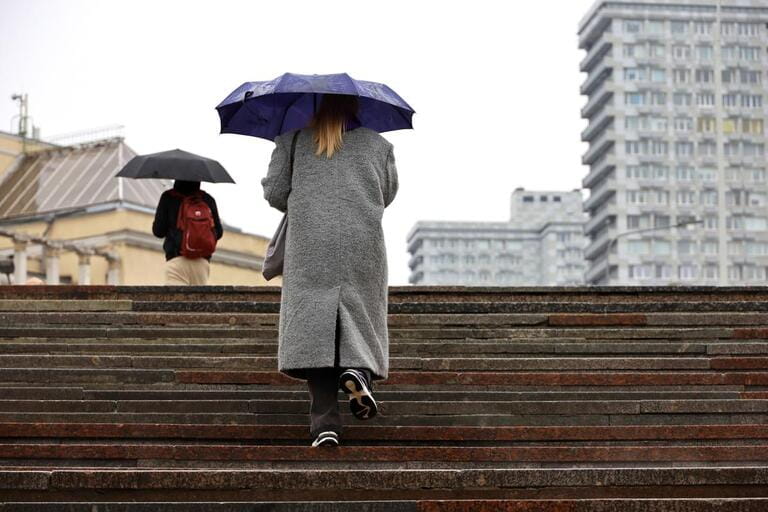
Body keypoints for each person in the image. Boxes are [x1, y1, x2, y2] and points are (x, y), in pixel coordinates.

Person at [261, 94, 398, 447]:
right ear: (358, 107)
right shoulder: (378, 144)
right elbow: (387, 193)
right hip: (361, 244)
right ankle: (358, 372)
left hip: (311, 244)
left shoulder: (293, 137)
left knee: (315, 331)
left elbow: (276, 193)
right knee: (359, 317)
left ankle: (325, 425)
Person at [152, 180, 223, 285]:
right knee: (198, 300)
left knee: (176, 300)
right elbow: (219, 232)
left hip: (176, 261)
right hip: (201, 263)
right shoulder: (207, 200)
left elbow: (158, 231)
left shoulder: (168, 197)